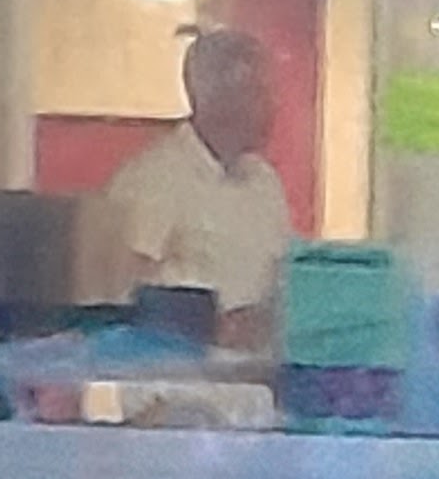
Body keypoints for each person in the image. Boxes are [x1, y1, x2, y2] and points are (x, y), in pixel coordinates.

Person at [100, 24, 295, 333]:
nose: (274, 106)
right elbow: (118, 289)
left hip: (261, 358)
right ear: (216, 98)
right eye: (258, 92)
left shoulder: (265, 181)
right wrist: (212, 328)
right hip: (177, 358)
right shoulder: (153, 179)